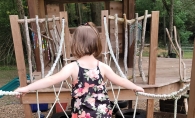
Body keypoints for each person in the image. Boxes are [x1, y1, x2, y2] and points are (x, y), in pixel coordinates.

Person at [15, 22, 144, 118]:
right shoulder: (103, 67)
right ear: (96, 44)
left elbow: (51, 80)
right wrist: (135, 87)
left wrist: (27, 88)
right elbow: (121, 80)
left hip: (82, 114)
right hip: (103, 113)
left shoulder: (73, 67)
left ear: (75, 44)